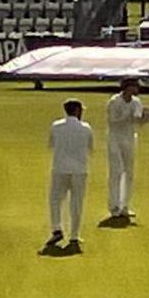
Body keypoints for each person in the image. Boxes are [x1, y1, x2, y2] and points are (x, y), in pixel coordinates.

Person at [45, 99, 94, 253]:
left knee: (55, 200)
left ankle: (57, 228)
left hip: (60, 168)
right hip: (79, 170)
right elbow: (91, 148)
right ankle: (74, 234)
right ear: (78, 111)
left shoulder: (56, 126)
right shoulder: (86, 128)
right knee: (76, 203)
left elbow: (50, 145)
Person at [106, 78, 149, 220]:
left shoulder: (136, 102)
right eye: (134, 86)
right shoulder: (114, 101)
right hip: (115, 138)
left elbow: (137, 122)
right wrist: (129, 117)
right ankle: (114, 206)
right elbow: (112, 121)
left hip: (130, 138)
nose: (136, 89)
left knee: (129, 172)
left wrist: (146, 118)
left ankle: (125, 206)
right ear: (127, 88)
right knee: (116, 171)